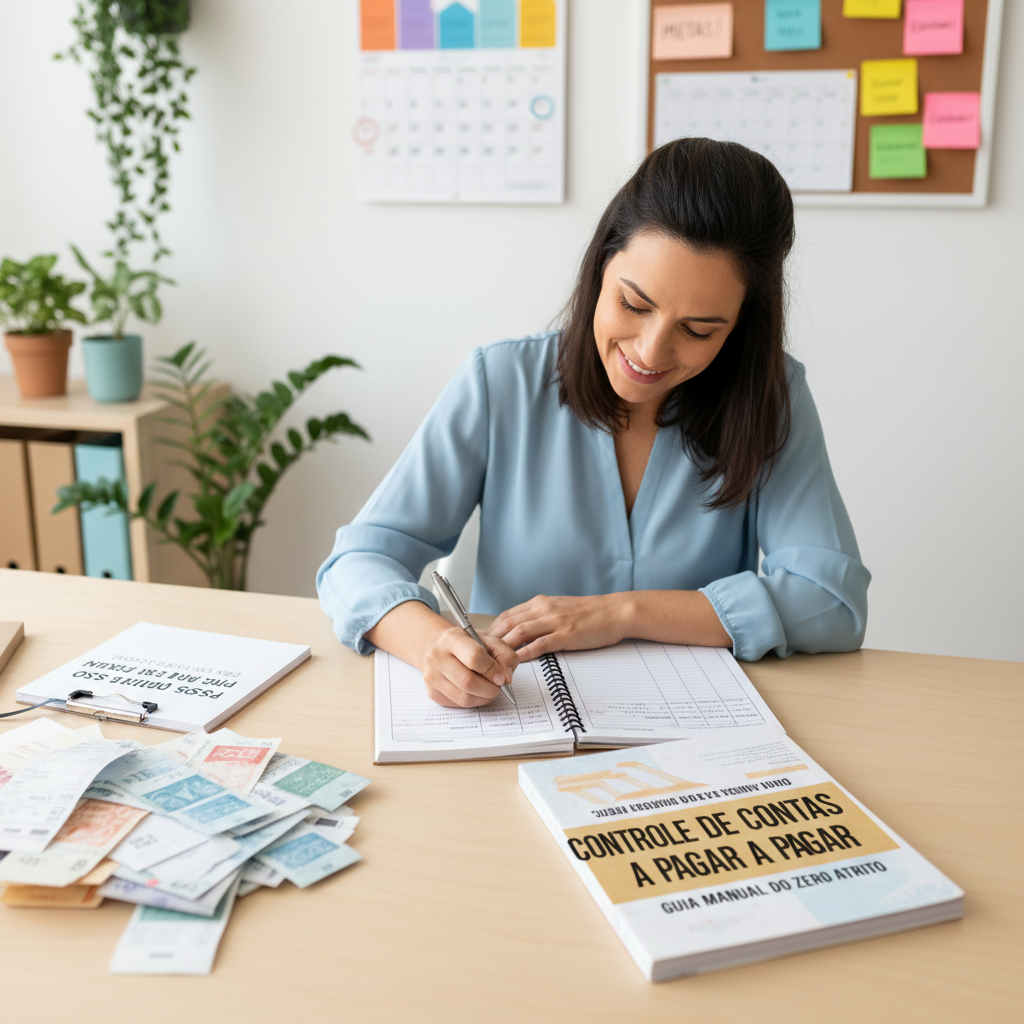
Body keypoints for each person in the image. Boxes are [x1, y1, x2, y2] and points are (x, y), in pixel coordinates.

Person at [317, 138, 870, 710]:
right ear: (601, 268)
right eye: (634, 305)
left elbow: (832, 601)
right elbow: (358, 562)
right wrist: (431, 645)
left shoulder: (771, 397)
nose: (650, 352)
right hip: (517, 714)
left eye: (698, 330)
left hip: (690, 730)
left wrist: (623, 613)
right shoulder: (500, 381)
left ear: (739, 327)